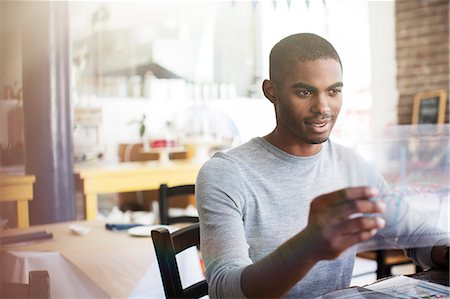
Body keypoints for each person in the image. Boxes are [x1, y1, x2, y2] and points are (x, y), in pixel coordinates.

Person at [196, 33, 449, 298]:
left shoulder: (352, 165)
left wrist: (445, 250)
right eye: (305, 92)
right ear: (271, 91)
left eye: (333, 91)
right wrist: (308, 246)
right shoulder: (226, 173)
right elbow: (225, 289)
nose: (323, 107)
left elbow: (415, 233)